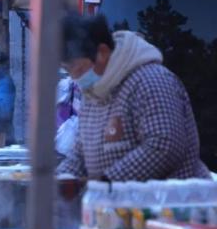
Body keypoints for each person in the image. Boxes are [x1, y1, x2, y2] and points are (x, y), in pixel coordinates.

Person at [57, 14, 209, 181]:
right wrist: (58, 181)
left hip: (169, 196)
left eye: (78, 68)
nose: (74, 77)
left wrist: (107, 182)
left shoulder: (151, 81)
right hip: (113, 197)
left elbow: (165, 145)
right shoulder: (93, 93)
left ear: (102, 53)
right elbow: (80, 154)